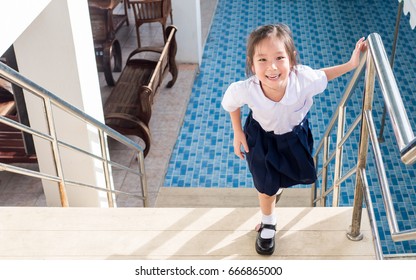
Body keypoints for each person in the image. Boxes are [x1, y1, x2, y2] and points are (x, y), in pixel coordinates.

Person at [221, 23, 366, 255]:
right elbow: (231, 104)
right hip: (261, 138)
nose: (272, 67)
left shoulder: (304, 79)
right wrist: (238, 132)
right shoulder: (246, 89)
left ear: (292, 59)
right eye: (262, 60)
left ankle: (275, 188)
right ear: (252, 64)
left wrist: (351, 64)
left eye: (279, 57)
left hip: (293, 137)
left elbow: (324, 75)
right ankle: (268, 221)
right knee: (265, 184)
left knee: (290, 175)